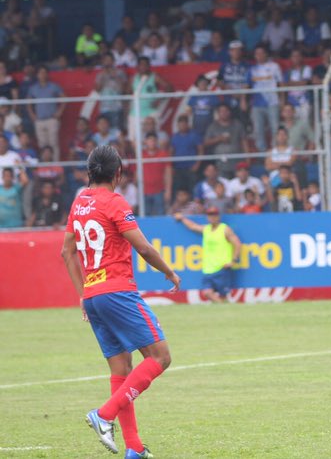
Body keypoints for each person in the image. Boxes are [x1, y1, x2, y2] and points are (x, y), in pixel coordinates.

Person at [61, 145, 181, 458]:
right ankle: (104, 414)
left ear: (90, 173)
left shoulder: (79, 204)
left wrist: (83, 294)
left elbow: (66, 252)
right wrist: (170, 272)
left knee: (122, 368)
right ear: (118, 173)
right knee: (161, 356)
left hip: (94, 296)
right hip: (118, 291)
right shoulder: (114, 201)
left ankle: (135, 449)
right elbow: (143, 248)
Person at [173, 207, 242, 303]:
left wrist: (233, 261)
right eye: (210, 215)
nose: (212, 217)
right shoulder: (206, 229)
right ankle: (223, 308)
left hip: (222, 268)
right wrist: (182, 218)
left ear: (218, 216)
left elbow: (237, 243)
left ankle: (224, 311)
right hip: (208, 269)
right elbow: (192, 226)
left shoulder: (225, 229)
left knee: (223, 296)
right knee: (207, 293)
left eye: (214, 215)